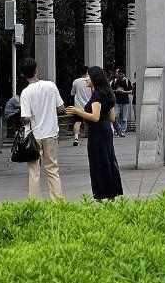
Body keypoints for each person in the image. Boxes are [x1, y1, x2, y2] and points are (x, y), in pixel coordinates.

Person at [64, 66, 123, 201]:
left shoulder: (97, 95)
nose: (86, 79)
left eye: (88, 77)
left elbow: (95, 117)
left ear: (95, 79)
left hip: (97, 133)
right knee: (108, 161)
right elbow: (112, 118)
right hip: (106, 130)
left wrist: (77, 111)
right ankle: (112, 194)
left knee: (98, 163)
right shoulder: (108, 93)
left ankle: (100, 194)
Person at [18, 58, 64, 200]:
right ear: (36, 70)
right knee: (52, 169)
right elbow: (61, 108)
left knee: (34, 170)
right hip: (51, 133)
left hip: (33, 136)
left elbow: (25, 118)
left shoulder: (25, 93)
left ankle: (34, 201)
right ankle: (58, 201)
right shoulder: (51, 86)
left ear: (23, 75)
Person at [70, 67, 90, 146]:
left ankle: (76, 138)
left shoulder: (76, 81)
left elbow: (72, 93)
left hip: (78, 106)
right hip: (88, 105)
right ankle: (89, 135)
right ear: (87, 72)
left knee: (77, 122)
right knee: (89, 121)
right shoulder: (90, 80)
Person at [112, 72, 132, 137]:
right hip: (117, 101)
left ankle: (122, 131)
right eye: (119, 74)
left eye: (121, 74)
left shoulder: (127, 81)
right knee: (116, 116)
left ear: (123, 74)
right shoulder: (115, 81)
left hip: (125, 101)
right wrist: (116, 91)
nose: (120, 75)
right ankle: (117, 130)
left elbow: (131, 91)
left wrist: (124, 92)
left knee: (124, 117)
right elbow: (111, 90)